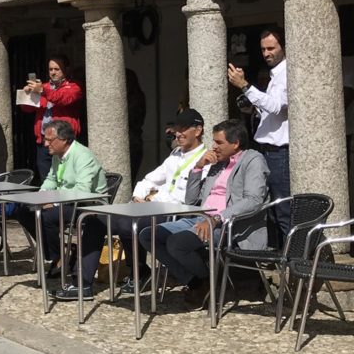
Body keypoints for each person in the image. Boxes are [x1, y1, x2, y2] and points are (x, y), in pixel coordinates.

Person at [76, 109, 208, 299]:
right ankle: (82, 282)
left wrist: (152, 199)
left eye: (183, 129)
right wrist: (139, 196)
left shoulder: (204, 160)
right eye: (176, 129)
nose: (178, 134)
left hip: (174, 212)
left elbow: (187, 199)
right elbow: (149, 180)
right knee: (94, 219)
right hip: (151, 206)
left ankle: (138, 272)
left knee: (125, 224)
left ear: (198, 130)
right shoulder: (175, 155)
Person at [139, 119, 269, 307]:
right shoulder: (217, 163)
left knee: (177, 243)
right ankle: (199, 282)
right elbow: (192, 201)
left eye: (219, 142)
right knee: (148, 235)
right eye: (214, 141)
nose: (214, 147)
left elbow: (254, 200)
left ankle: (206, 283)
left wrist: (217, 218)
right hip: (201, 218)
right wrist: (198, 168)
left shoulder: (253, 160)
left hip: (230, 225)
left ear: (236, 144)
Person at [14, 120, 107, 298]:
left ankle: (59, 256)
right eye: (45, 139)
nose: (45, 143)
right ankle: (58, 255)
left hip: (88, 205)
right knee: (24, 211)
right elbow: (51, 180)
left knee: (47, 216)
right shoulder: (58, 156)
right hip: (67, 201)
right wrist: (41, 197)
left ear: (64, 139)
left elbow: (83, 190)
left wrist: (55, 202)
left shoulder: (82, 155)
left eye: (50, 139)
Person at [228, 26, 289, 236]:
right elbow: (270, 111)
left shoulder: (287, 73)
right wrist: (252, 107)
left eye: (271, 48)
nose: (266, 54)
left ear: (284, 46)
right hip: (267, 149)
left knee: (283, 208)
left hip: (280, 151)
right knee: (269, 207)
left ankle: (292, 259)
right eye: (263, 49)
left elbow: (276, 105)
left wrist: (245, 85)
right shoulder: (275, 74)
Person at [20, 56, 84, 181]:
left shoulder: (74, 87)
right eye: (50, 69)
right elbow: (27, 109)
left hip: (63, 140)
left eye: (57, 69)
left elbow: (62, 98)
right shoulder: (43, 87)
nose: (53, 72)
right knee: (46, 178)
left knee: (66, 177)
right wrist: (26, 95)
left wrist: (43, 91)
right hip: (45, 140)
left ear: (66, 69)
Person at [126, 68, 147, 181]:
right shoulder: (138, 96)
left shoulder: (136, 99)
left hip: (132, 143)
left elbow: (134, 119)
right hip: (136, 143)